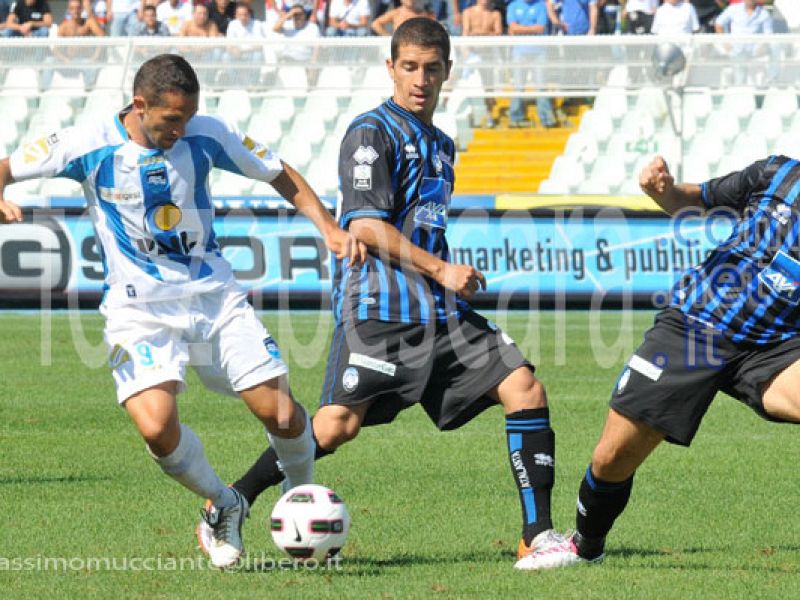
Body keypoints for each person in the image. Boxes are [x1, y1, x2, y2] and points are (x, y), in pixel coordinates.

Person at [196, 17, 559, 567]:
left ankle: (538, 538)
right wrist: (441, 269)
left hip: (441, 312)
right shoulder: (371, 133)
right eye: (409, 67)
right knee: (338, 425)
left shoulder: (441, 145)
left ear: (447, 72)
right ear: (391, 68)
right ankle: (233, 501)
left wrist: (441, 280)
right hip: (381, 307)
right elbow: (364, 226)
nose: (420, 79)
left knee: (525, 390)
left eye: (432, 69)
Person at [0, 54, 364, 570]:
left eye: (188, 118)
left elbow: (278, 172)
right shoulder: (87, 144)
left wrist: (327, 227)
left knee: (280, 412)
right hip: (138, 310)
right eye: (172, 119)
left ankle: (301, 499)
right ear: (140, 105)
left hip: (214, 297)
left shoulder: (207, 135)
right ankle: (224, 502)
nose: (181, 129)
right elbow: (6, 168)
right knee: (156, 427)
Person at [516, 153, 800, 569]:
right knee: (612, 458)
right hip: (694, 325)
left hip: (774, 343)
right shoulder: (778, 172)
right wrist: (664, 191)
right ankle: (584, 546)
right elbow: (698, 200)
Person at [507, 0, 556, 128]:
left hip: (539, 52)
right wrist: (531, 28)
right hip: (519, 52)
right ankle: (515, 117)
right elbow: (512, 27)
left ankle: (546, 118)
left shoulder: (541, 5)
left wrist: (520, 29)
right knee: (518, 86)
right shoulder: (513, 6)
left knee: (541, 86)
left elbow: (541, 28)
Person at [371, 0, 435, 35]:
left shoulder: (423, 14)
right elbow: (375, 24)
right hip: (400, 45)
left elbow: (435, 27)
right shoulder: (396, 13)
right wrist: (388, 37)